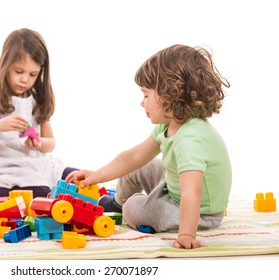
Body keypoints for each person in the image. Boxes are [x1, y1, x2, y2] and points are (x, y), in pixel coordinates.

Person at [66, 44, 232, 249]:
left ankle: (126, 206)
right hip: (174, 186)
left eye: (146, 95)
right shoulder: (170, 124)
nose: (141, 103)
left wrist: (187, 234)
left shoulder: (191, 139)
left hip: (199, 212)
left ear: (170, 95)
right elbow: (135, 156)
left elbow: (192, 190)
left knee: (132, 209)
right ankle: (117, 202)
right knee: (139, 166)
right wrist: (97, 175)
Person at [0, 28, 77, 198]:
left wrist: (38, 142)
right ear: (5, 65)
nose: (25, 79)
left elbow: (50, 143)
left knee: (79, 178)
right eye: (19, 71)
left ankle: (105, 202)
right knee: (42, 195)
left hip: (40, 165)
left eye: (33, 74)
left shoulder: (37, 100)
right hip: (9, 172)